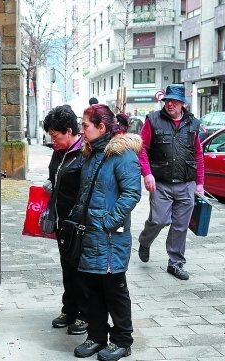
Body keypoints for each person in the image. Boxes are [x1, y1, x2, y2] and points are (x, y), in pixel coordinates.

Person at [71, 104, 142, 360]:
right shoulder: (91, 154)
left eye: (85, 126)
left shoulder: (123, 155)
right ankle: (97, 336)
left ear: (101, 127)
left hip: (111, 236)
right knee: (92, 288)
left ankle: (122, 340)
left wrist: (108, 221)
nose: (81, 131)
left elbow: (132, 193)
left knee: (114, 289)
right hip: (91, 233)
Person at [136, 84, 204, 281]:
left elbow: (198, 155)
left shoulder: (193, 124)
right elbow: (141, 149)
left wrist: (199, 183)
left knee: (180, 225)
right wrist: (147, 174)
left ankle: (175, 263)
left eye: (174, 100)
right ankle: (145, 241)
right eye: (167, 100)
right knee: (159, 220)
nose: (170, 104)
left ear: (183, 103)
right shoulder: (153, 120)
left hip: (186, 183)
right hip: (161, 183)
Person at [42, 105, 88, 335]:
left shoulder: (85, 154)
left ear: (69, 131)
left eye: (55, 135)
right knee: (67, 268)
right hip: (62, 223)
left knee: (81, 270)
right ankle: (69, 309)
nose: (53, 140)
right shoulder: (58, 152)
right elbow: (55, 176)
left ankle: (84, 315)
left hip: (78, 224)